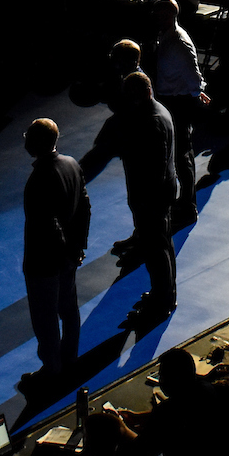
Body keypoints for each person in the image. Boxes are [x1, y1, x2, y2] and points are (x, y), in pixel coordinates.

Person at [80, 72, 178, 319]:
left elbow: (153, 166)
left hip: (152, 196)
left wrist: (145, 201)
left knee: (157, 249)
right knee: (161, 245)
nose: (130, 100)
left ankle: (162, 300)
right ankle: (163, 294)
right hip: (157, 193)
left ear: (145, 92)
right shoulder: (157, 113)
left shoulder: (151, 122)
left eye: (133, 95)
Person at [20, 118, 91, 389]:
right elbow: (84, 206)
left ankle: (52, 368)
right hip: (68, 257)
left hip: (45, 261)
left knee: (45, 316)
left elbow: (48, 225)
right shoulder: (72, 164)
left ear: (36, 141)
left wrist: (65, 252)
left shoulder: (39, 178)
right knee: (68, 309)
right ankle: (69, 357)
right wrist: (77, 248)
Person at [151, 0, 210, 229]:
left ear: (170, 15)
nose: (156, 17)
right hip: (171, 99)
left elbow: (192, 73)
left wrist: (198, 92)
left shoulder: (178, 43)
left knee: (183, 155)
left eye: (160, 14)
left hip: (178, 102)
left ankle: (188, 204)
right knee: (177, 153)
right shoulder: (166, 36)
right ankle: (183, 201)